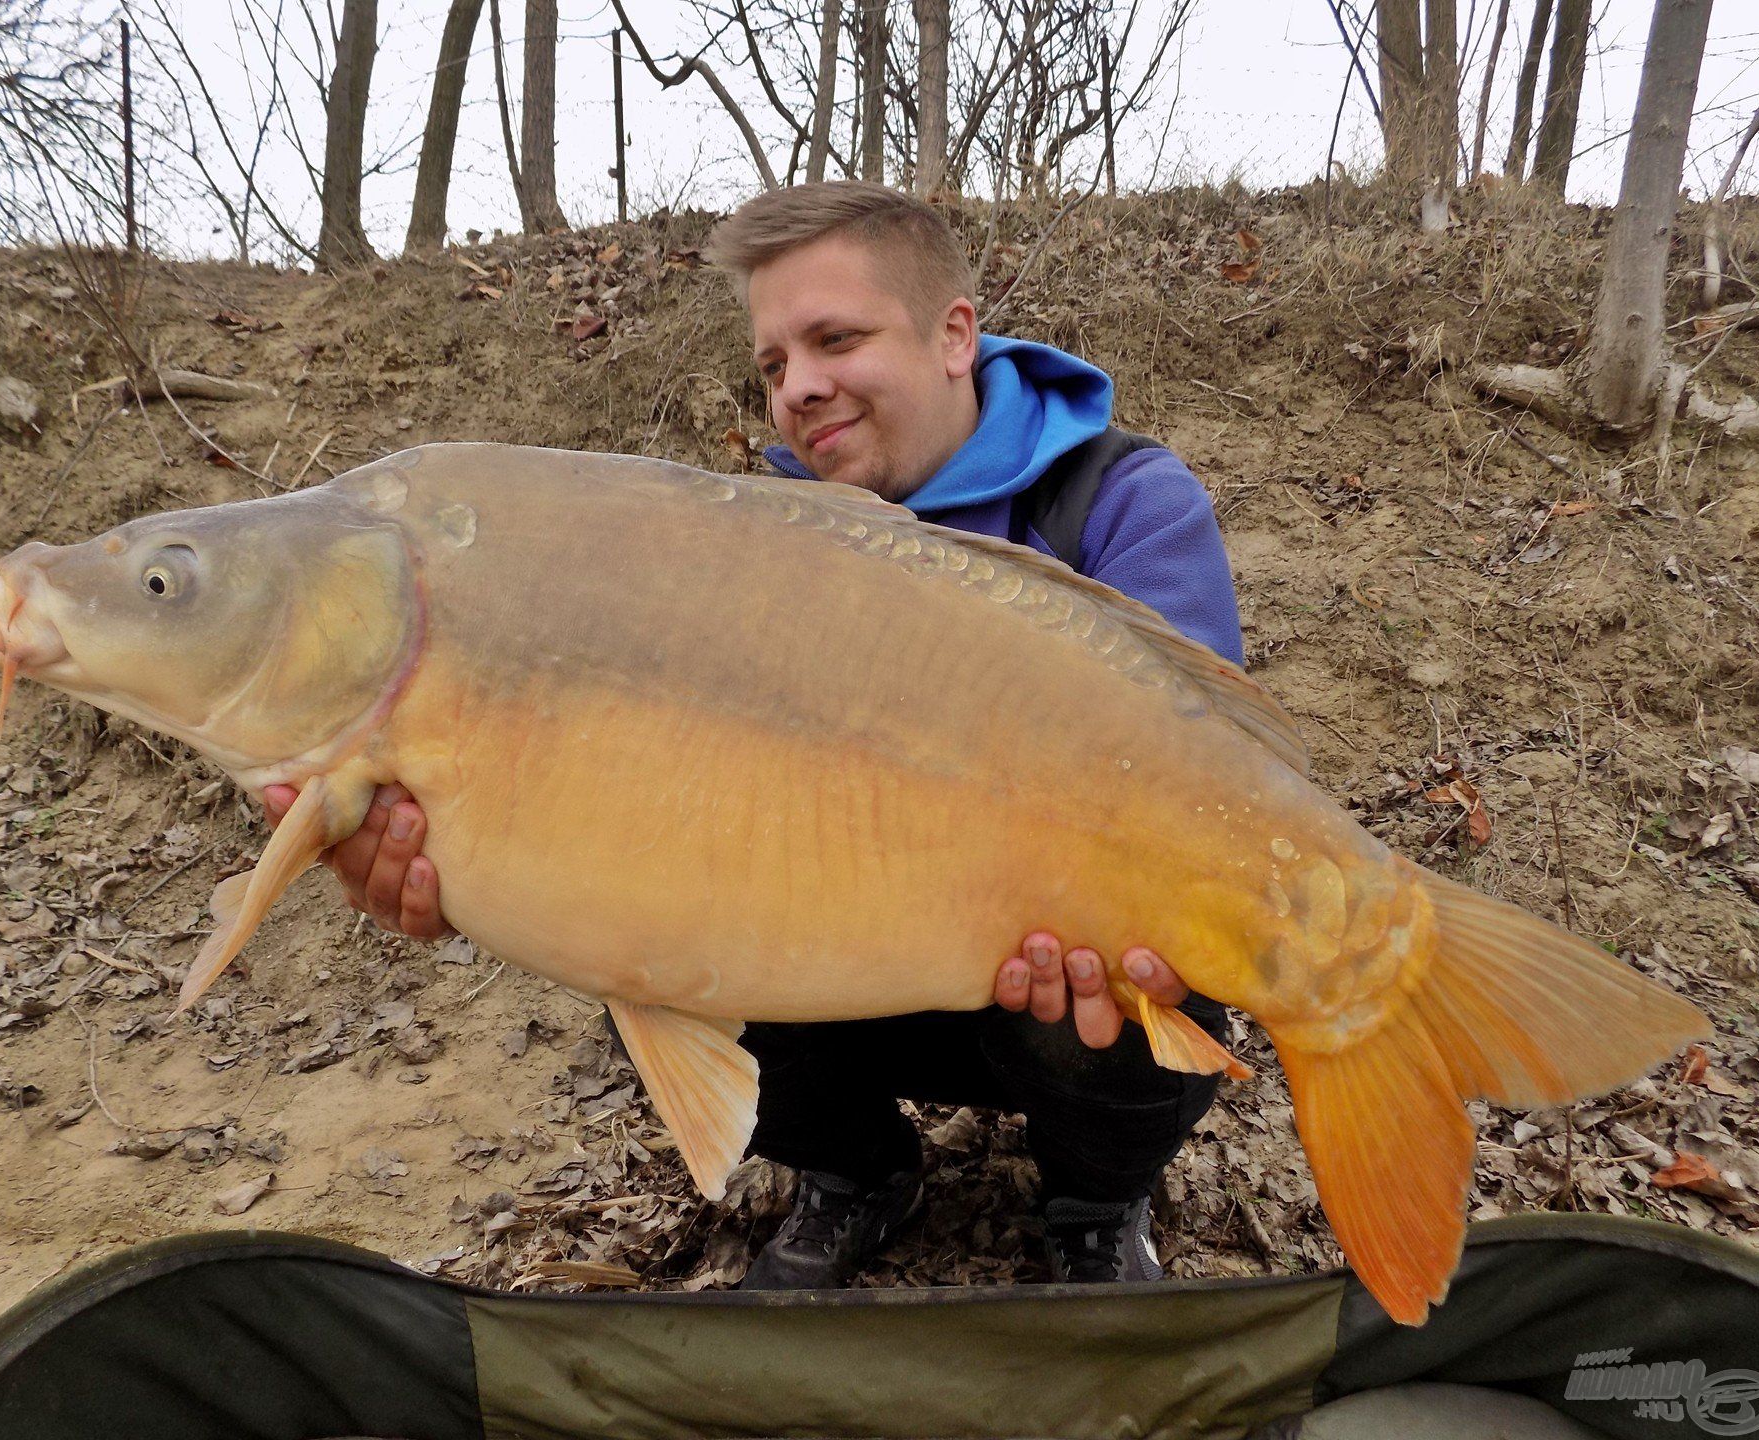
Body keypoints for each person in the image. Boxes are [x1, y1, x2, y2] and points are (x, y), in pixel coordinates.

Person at [264, 181, 1244, 1292]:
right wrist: (464, 869)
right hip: (840, 955)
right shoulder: (735, 553)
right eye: (775, 365)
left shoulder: (1123, 502)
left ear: (955, 334)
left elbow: (1209, 783)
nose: (800, 390)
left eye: (835, 340)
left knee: (1154, 960)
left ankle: (1094, 1200)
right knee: (643, 929)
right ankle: (860, 1174)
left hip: (1051, 963)